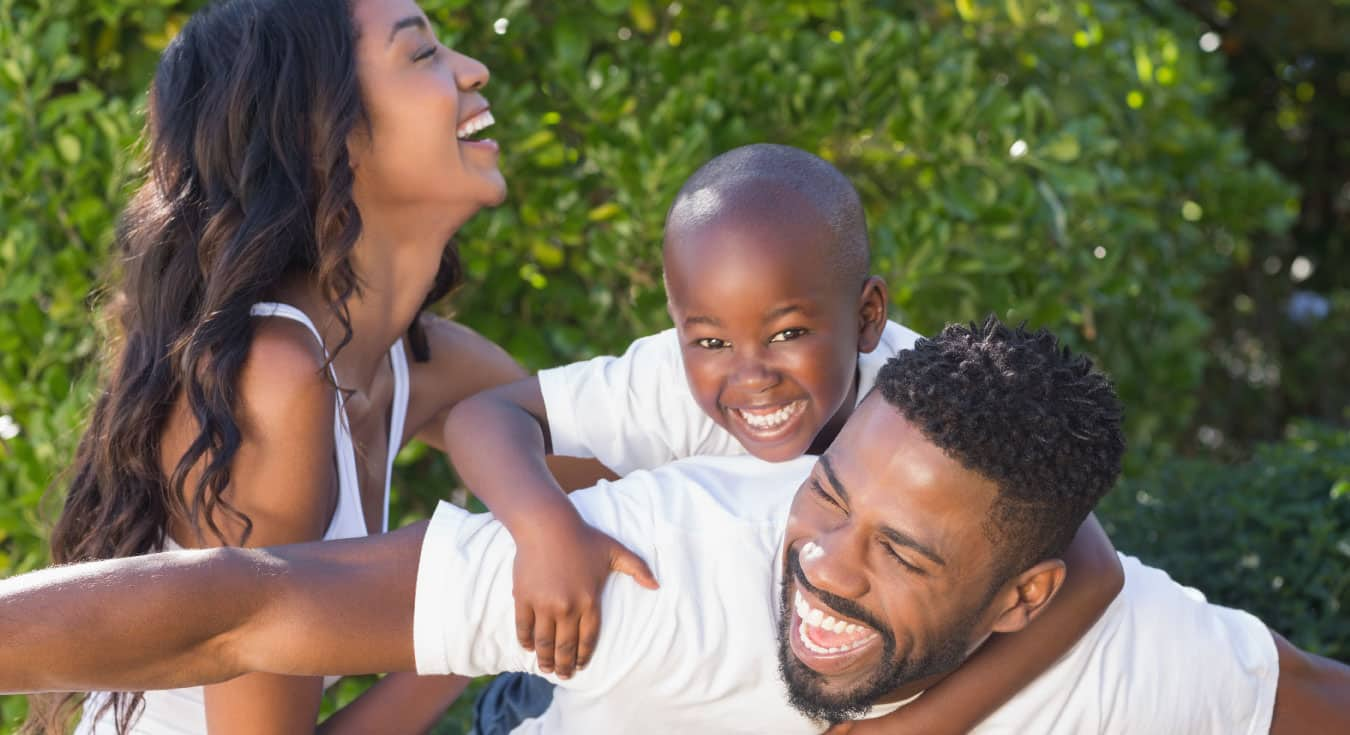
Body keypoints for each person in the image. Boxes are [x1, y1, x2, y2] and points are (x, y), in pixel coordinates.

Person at [7, 319, 1346, 733]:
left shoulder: (1129, 657)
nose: (826, 560)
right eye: (833, 492)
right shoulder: (688, 560)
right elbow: (246, 599)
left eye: (906, 549)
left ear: (1022, 593)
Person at [30, 0, 602, 732]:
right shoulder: (271, 381)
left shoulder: (420, 364)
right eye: (422, 55)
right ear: (322, 136)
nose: (472, 69)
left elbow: (626, 484)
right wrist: (483, 603)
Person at [442, 144, 1123, 732]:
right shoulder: (665, 379)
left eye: (788, 333)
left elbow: (1092, 566)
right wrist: (545, 528)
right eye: (708, 339)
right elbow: (483, 417)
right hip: (573, 688)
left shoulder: (918, 397)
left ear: (866, 316)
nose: (750, 377)